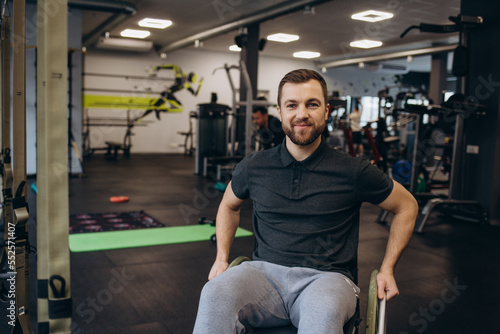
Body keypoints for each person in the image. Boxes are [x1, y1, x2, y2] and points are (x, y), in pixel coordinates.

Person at [193, 69, 418, 334]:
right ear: (279, 111)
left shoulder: (354, 171)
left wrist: (387, 269)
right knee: (214, 293)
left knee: (323, 310)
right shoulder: (254, 166)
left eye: (312, 104)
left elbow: (407, 206)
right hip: (262, 275)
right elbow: (229, 205)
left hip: (327, 279)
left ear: (326, 111)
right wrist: (221, 258)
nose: (302, 114)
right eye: (292, 105)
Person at [134, 64, 203, 122]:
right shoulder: (183, 79)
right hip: (168, 94)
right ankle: (157, 110)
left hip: (166, 94)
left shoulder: (185, 82)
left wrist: (160, 67)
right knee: (180, 108)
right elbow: (175, 67)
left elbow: (174, 66)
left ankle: (140, 117)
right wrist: (160, 67)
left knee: (154, 107)